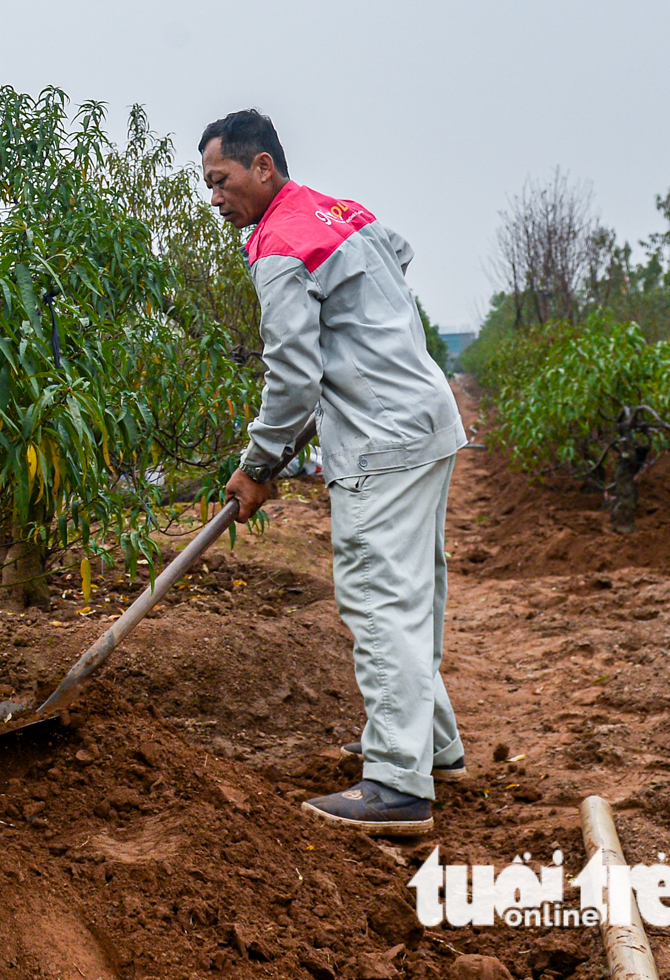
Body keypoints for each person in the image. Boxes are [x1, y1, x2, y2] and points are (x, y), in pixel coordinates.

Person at [201, 110, 467, 836]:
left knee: (383, 603)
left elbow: (290, 374)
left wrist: (258, 464)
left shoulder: (277, 242)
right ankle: (433, 748)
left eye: (222, 181)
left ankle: (395, 783)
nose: (216, 199)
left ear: (263, 167)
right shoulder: (342, 213)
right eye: (208, 186)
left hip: (382, 438)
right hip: (425, 419)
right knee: (415, 596)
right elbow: (399, 254)